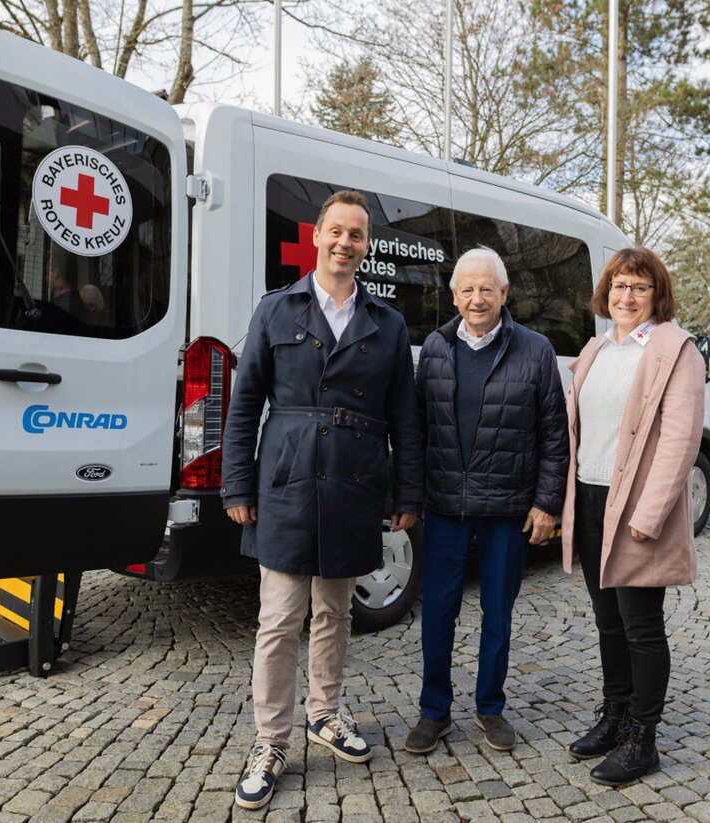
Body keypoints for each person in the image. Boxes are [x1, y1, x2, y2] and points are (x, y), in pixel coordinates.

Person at [221, 190, 422, 810]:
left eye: (356, 234)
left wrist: (407, 490)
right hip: (284, 480)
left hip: (356, 483)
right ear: (316, 236)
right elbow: (245, 400)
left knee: (335, 613)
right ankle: (269, 741)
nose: (344, 242)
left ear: (367, 245)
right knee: (279, 618)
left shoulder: (388, 324)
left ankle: (325, 714)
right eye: (336, 230)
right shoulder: (276, 309)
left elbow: (405, 418)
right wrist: (236, 482)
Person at [404, 247, 568, 755]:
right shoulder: (434, 347)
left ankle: (490, 707)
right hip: (446, 507)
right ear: (454, 295)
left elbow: (555, 436)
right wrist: (410, 496)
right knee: (438, 614)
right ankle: (435, 711)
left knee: (498, 614)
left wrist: (546, 504)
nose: (478, 299)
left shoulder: (536, 350)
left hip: (508, 509)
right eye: (468, 289)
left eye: (487, 289)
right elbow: (417, 430)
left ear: (504, 294)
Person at [560, 246, 703, 786]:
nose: (627, 296)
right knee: (607, 622)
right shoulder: (596, 347)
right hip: (592, 498)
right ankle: (615, 715)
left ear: (656, 294)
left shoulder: (675, 349)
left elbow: (681, 441)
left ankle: (644, 738)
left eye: (639, 287)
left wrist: (648, 516)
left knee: (642, 628)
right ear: (607, 292)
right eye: (619, 286)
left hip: (638, 511)